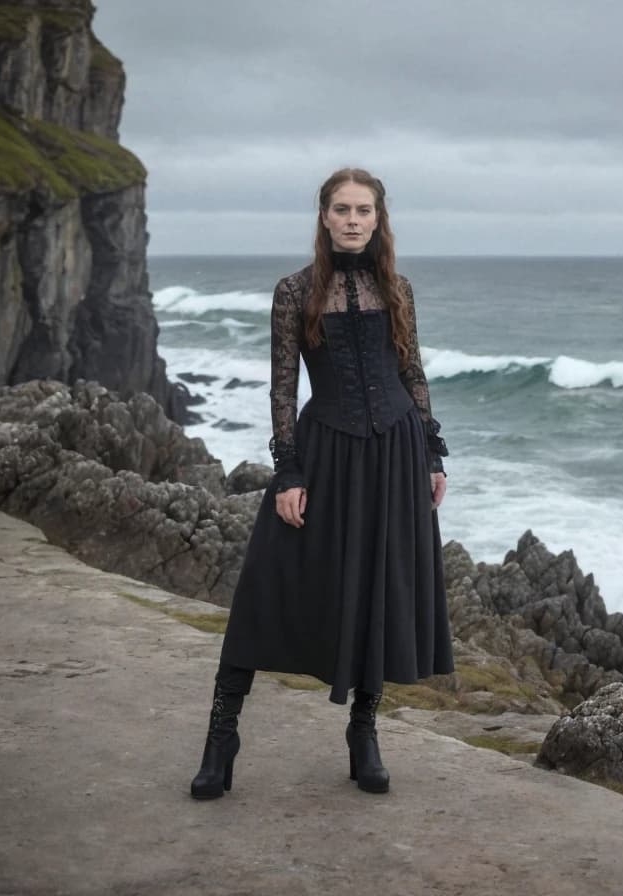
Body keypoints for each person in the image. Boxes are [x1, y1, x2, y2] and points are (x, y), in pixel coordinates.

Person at [189, 167, 454, 799]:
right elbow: (284, 386)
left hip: (395, 449)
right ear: (325, 216)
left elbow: (411, 371)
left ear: (378, 217)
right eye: (343, 209)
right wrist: (289, 469)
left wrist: (433, 453)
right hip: (327, 449)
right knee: (268, 585)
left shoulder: (399, 290)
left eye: (365, 209)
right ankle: (221, 736)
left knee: (376, 588)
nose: (354, 219)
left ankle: (364, 732)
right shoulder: (295, 291)